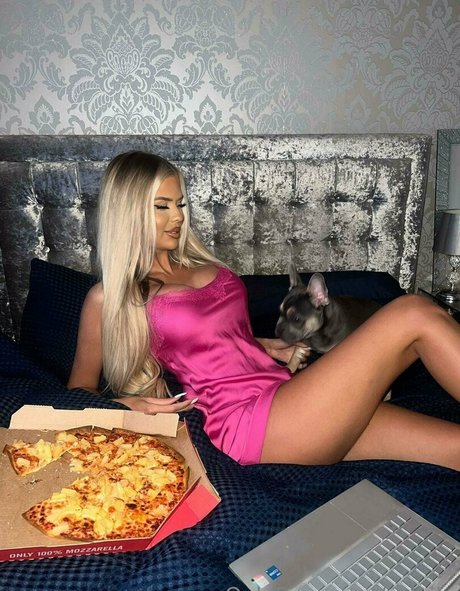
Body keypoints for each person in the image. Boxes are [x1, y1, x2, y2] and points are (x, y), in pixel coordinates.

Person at [68, 151, 460, 471]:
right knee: (413, 313)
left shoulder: (201, 265)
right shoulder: (111, 297)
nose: (179, 217)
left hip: (287, 395)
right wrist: (123, 405)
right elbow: (75, 394)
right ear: (129, 211)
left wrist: (263, 346)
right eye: (162, 206)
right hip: (244, 423)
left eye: (181, 204)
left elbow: (216, 340)